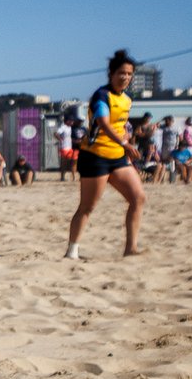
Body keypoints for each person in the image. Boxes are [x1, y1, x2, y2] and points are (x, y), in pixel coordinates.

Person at [66, 49, 144, 259]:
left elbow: (120, 126)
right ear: (111, 73)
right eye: (121, 73)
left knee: (138, 198)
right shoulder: (101, 96)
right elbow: (104, 124)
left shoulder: (127, 99)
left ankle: (131, 249)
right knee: (87, 207)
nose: (125, 77)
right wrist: (125, 144)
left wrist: (129, 141)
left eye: (129, 74)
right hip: (95, 156)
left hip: (118, 157)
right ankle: (72, 251)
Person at [55, 110, 76, 181]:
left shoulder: (69, 127)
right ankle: (62, 177)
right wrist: (60, 139)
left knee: (70, 162)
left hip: (69, 147)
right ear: (68, 121)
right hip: (64, 147)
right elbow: (56, 133)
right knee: (64, 163)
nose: (72, 122)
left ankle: (70, 176)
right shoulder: (63, 127)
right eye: (71, 121)